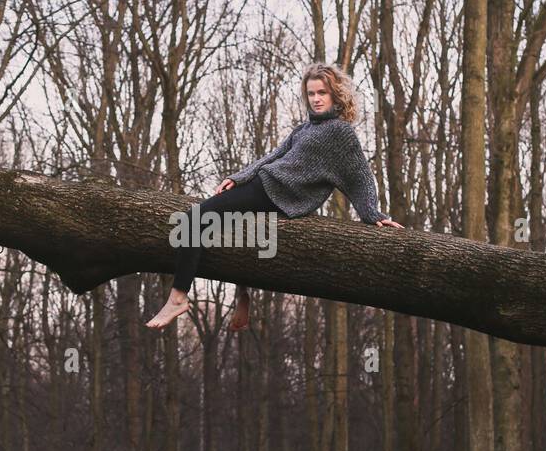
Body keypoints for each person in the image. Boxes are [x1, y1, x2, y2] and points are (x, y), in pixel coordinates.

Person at [146, 62, 404, 330]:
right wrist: (240, 177)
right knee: (241, 231)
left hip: (273, 191)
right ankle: (243, 294)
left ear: (335, 95)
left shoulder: (340, 132)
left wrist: (373, 214)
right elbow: (274, 156)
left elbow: (360, 176)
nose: (316, 99)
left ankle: (177, 297)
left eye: (322, 93)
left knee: (193, 218)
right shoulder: (305, 129)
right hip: (265, 186)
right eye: (311, 94)